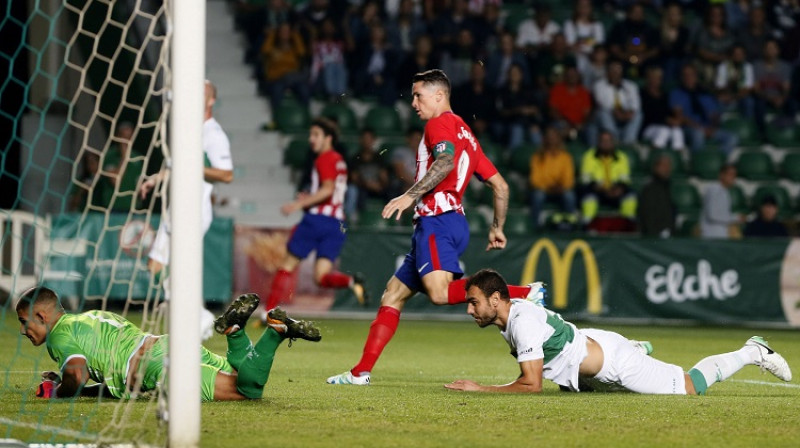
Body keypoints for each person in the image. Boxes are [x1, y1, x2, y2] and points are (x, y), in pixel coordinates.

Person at [326, 69, 537, 386]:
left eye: (418, 95)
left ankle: (526, 293)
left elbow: (445, 163)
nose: (413, 103)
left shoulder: (439, 124)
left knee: (438, 294)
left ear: (439, 96)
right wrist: (497, 227)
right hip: (448, 222)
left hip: (437, 222)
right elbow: (501, 187)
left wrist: (409, 196)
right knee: (392, 296)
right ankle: (360, 372)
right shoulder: (466, 132)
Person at [444, 269, 792, 394]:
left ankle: (752, 351)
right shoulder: (512, 316)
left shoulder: (522, 322)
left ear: (495, 299)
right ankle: (635, 347)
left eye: (473, 302)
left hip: (614, 364)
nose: (469, 309)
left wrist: (481, 389)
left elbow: (532, 385)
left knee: (690, 387)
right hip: (593, 355)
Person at [18, 287, 320, 401]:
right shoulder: (90, 318)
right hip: (165, 346)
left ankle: (273, 332)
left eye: (24, 321)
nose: (22, 330)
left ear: (42, 315)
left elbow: (78, 375)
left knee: (249, 391)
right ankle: (236, 331)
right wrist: (74, 383)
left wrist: (57, 393)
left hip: (157, 367)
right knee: (240, 371)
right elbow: (99, 378)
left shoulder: (57, 336)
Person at [140, 80, 234, 341]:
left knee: (172, 266)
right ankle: (197, 317)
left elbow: (226, 175)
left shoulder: (213, 134)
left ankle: (200, 320)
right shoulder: (190, 131)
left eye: (203, 92)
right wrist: (154, 180)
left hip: (193, 209)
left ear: (211, 100)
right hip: (177, 206)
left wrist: (194, 166)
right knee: (156, 265)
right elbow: (177, 165)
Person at [262, 117, 368, 315]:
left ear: (328, 138)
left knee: (287, 264)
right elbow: (331, 191)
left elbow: (327, 189)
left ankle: (268, 312)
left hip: (317, 220)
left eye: (316, 135)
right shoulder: (339, 161)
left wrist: (298, 204)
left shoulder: (324, 158)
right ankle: (351, 281)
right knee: (321, 277)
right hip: (337, 224)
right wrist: (310, 197)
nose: (311, 139)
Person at [579, 130, 637, 225]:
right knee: (588, 197)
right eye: (603, 141)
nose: (605, 144)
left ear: (613, 142)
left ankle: (628, 223)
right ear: (598, 142)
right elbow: (586, 179)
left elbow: (625, 179)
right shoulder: (589, 156)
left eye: (608, 141)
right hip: (597, 190)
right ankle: (587, 224)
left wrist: (619, 189)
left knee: (630, 196)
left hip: (615, 191)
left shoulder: (621, 157)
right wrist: (600, 188)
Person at [528, 126, 577, 229]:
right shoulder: (538, 157)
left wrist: (561, 187)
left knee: (569, 196)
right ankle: (535, 226)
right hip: (544, 190)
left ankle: (567, 225)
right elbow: (535, 179)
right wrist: (548, 187)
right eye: (549, 137)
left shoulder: (566, 157)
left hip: (560, 189)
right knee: (537, 196)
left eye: (554, 137)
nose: (552, 140)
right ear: (545, 139)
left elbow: (569, 180)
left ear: (559, 139)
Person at [590, 59, 642, 146]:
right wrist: (617, 112)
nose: (615, 72)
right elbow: (602, 103)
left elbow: (635, 104)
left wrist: (629, 112)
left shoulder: (631, 85)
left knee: (638, 114)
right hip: (609, 115)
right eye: (612, 70)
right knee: (602, 112)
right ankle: (614, 140)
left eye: (618, 70)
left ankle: (628, 142)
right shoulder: (599, 85)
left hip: (625, 115)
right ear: (608, 71)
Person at [700, 164, 745, 239]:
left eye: (734, 175)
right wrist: (735, 218)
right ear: (721, 175)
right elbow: (713, 215)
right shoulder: (713, 190)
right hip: (711, 236)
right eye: (730, 174)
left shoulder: (725, 192)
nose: (733, 178)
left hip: (721, 235)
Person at [637, 154, 675, 238]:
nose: (667, 169)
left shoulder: (668, 187)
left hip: (668, 233)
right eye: (663, 166)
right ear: (655, 168)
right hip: (655, 237)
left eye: (668, 166)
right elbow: (648, 216)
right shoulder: (650, 188)